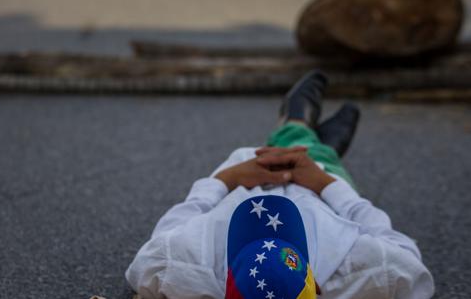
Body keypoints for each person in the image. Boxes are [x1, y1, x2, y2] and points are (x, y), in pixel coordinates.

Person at [126, 71, 435, 299]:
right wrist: (326, 183)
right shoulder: (362, 268)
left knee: (255, 156)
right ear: (314, 287)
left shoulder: (180, 266)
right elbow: (405, 255)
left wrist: (227, 179)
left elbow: (164, 237)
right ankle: (309, 135)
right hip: (316, 189)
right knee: (318, 162)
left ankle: (299, 125)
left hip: (244, 179)